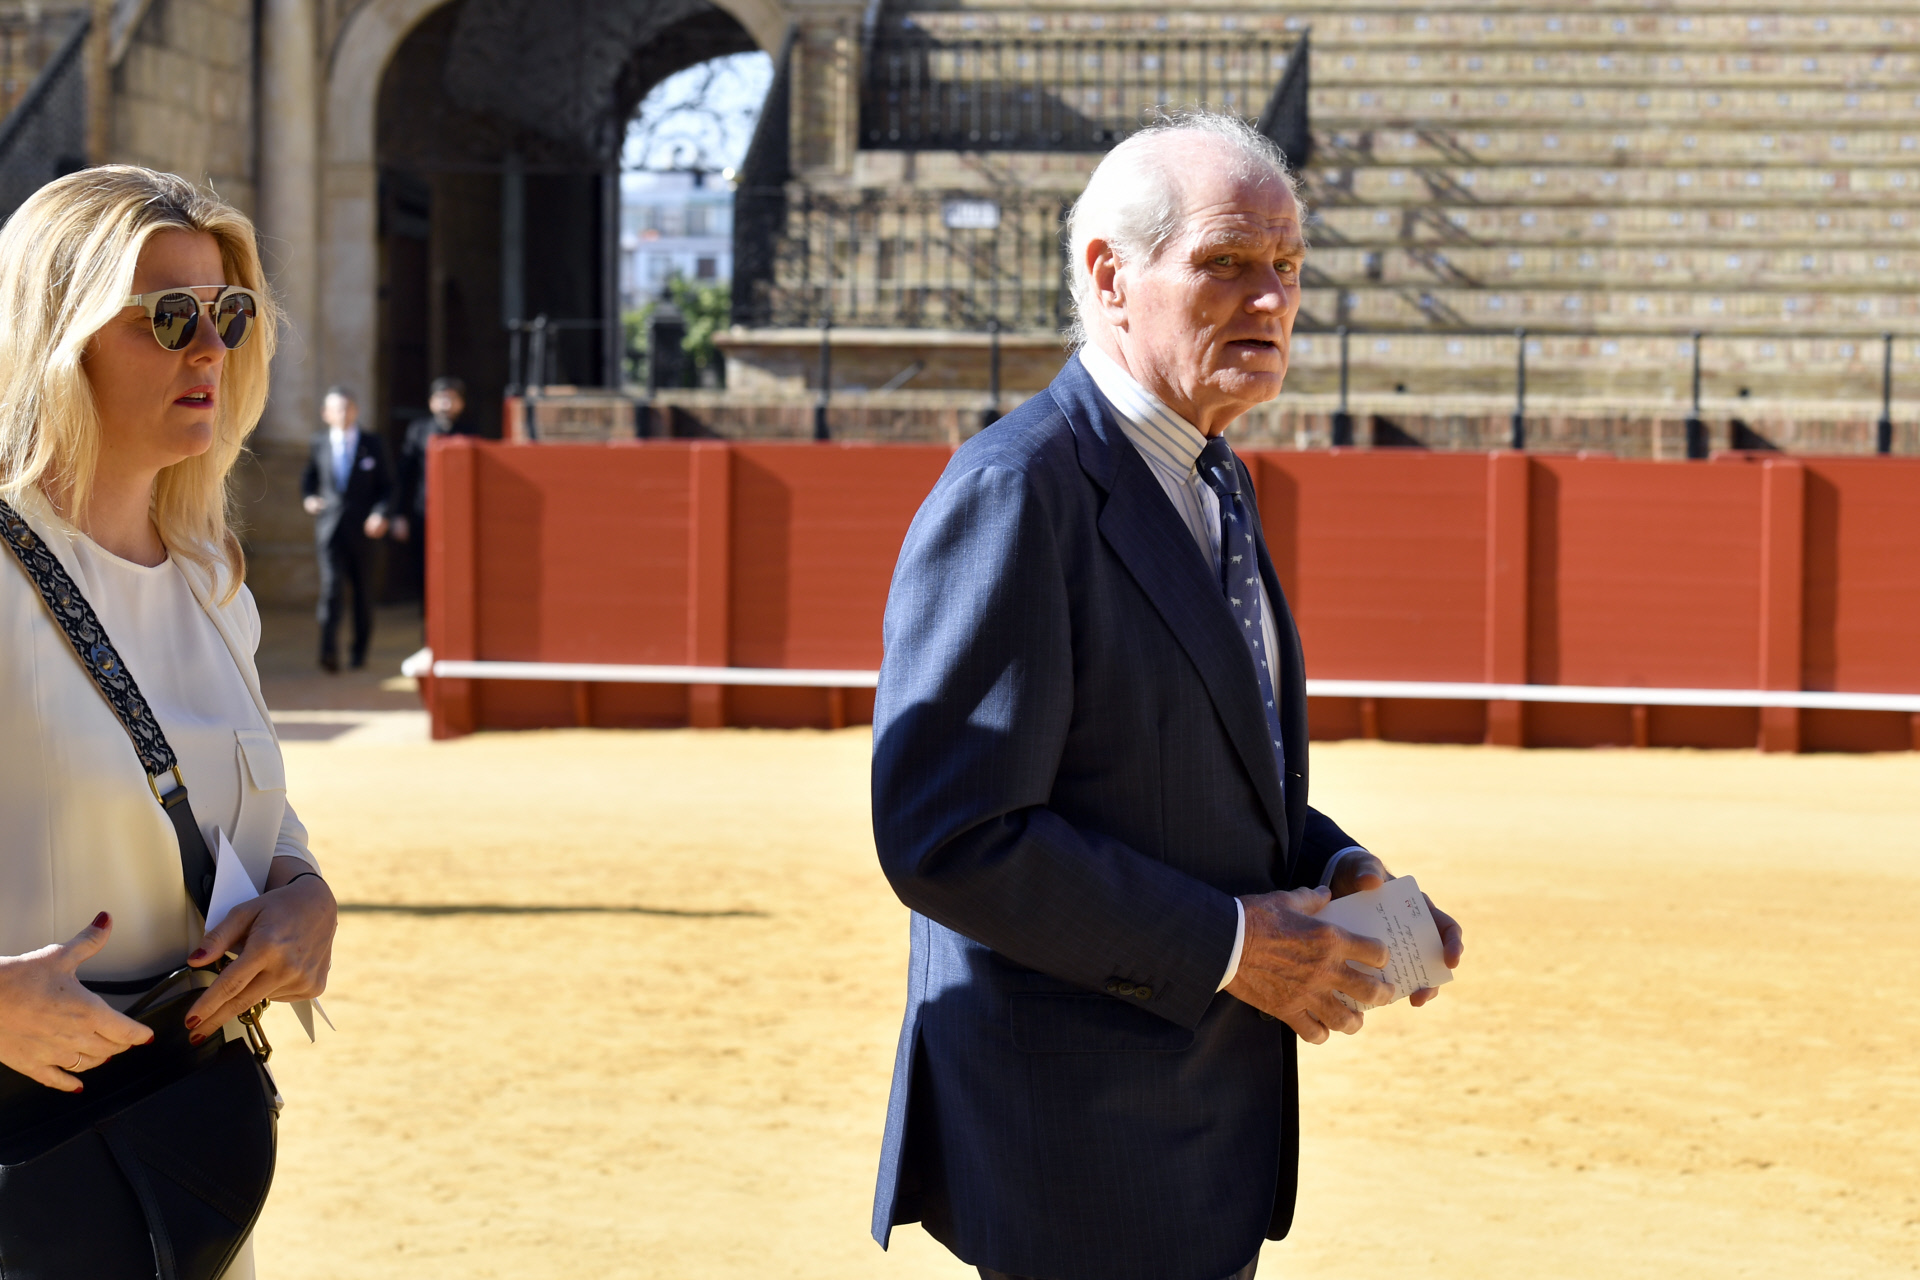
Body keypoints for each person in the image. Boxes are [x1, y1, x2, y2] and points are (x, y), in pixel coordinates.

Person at [869, 114, 1466, 1280]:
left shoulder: (1210, 476)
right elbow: (950, 834)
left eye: (1287, 265)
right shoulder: (1018, 489)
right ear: (1110, 277)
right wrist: (1236, 945)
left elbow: (1197, 762)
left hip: (1190, 1132)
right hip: (1077, 1148)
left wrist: (1338, 866)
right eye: (1227, 261)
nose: (1273, 299)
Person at [0, 165, 338, 1278]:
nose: (209, 350)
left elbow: (253, 807)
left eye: (229, 315)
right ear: (60, 336)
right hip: (26, 1165)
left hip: (175, 1155)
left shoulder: (210, 581)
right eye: (167, 316)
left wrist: (303, 892)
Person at [300, 385, 392, 671]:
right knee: (331, 590)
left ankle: (359, 652)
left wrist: (380, 514)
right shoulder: (319, 442)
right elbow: (309, 478)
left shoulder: (372, 443)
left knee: (363, 593)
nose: (343, 413)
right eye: (337, 409)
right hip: (330, 529)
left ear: (356, 410)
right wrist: (309, 499)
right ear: (326, 413)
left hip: (364, 531)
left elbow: (388, 486)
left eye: (347, 408)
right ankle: (328, 651)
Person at [389, 375, 474, 594]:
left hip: (459, 514)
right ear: (431, 402)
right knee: (423, 570)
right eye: (441, 398)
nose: (446, 404)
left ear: (461, 403)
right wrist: (399, 514)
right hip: (423, 512)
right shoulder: (419, 430)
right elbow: (404, 475)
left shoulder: (470, 432)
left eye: (452, 398)